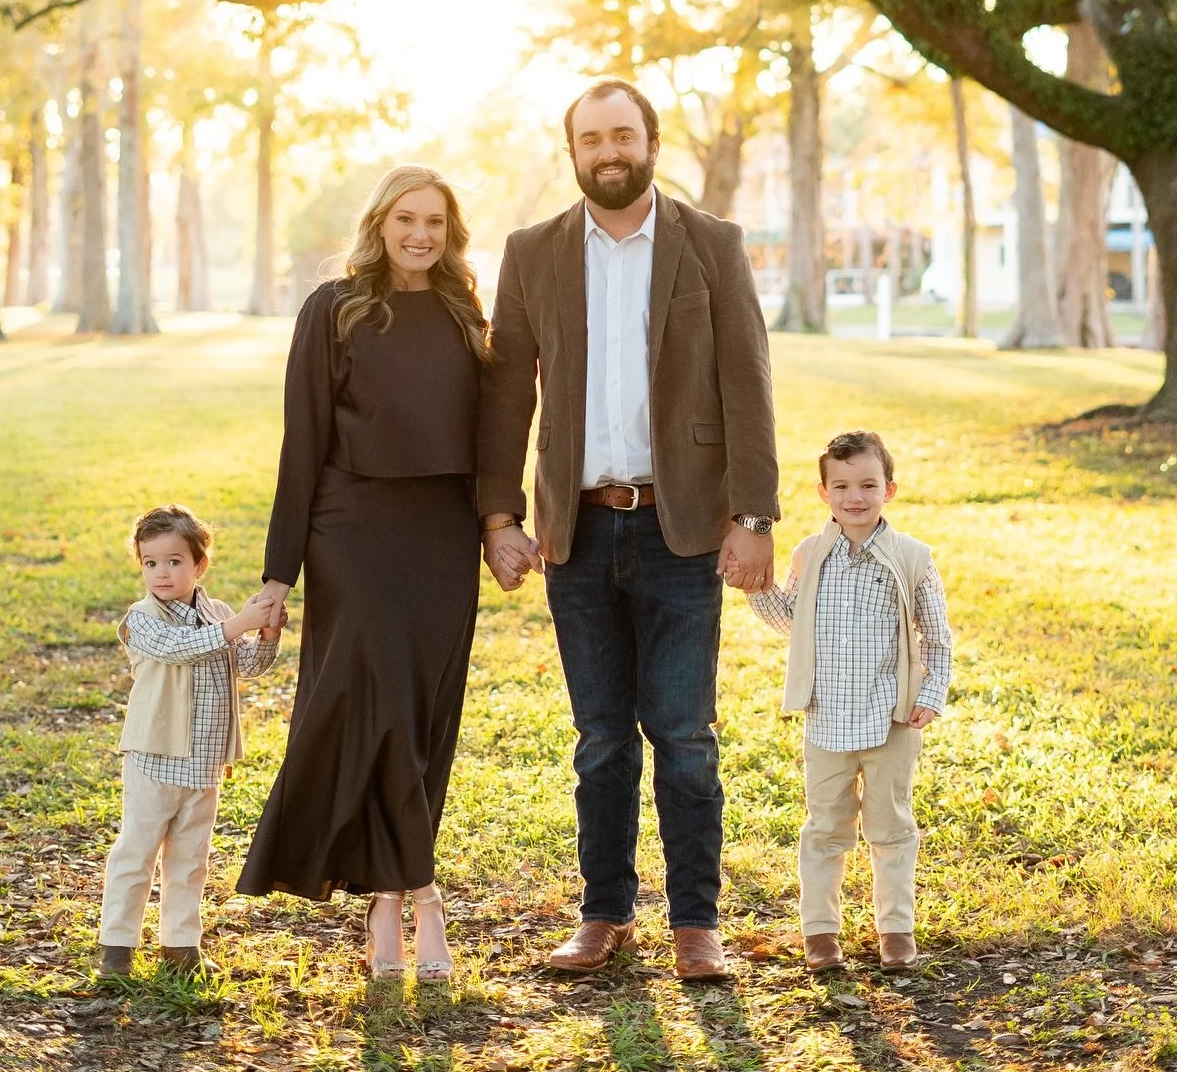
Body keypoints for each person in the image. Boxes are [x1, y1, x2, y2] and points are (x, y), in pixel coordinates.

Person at [478, 79, 781, 980]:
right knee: (601, 737)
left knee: (685, 735)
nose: (608, 152)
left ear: (651, 141)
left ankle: (697, 923)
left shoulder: (710, 244)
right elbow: (506, 392)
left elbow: (748, 382)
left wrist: (755, 516)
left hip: (683, 526)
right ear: (571, 151)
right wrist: (501, 516)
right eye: (590, 139)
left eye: (623, 135)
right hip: (577, 529)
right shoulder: (532, 252)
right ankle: (603, 914)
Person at [237, 166, 488, 983]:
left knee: (418, 724)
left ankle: (386, 897)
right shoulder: (333, 309)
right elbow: (299, 444)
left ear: (451, 234)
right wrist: (279, 576)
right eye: (406, 219)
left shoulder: (462, 314)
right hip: (352, 533)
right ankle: (420, 897)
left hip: (440, 541)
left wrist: (499, 524)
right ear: (379, 223)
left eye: (436, 223)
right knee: (375, 709)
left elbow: (490, 434)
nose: (421, 234)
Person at [748, 429, 952, 973]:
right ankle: (820, 932)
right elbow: (790, 620)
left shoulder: (911, 558)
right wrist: (755, 586)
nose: (854, 497)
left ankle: (896, 931)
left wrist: (930, 694)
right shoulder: (810, 553)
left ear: (890, 489)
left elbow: (936, 635)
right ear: (823, 493)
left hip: (892, 719)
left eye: (867, 485)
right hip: (827, 721)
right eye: (841, 486)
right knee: (824, 829)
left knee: (891, 829)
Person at [98, 504, 283, 979]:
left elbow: (245, 665)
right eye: (150, 562)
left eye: (174, 561)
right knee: (136, 852)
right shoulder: (142, 619)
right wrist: (236, 626)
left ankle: (181, 945)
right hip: (154, 757)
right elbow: (178, 650)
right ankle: (116, 947)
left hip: (203, 762)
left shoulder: (218, 613)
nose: (161, 572)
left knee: (189, 858)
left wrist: (265, 633)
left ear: (199, 565)